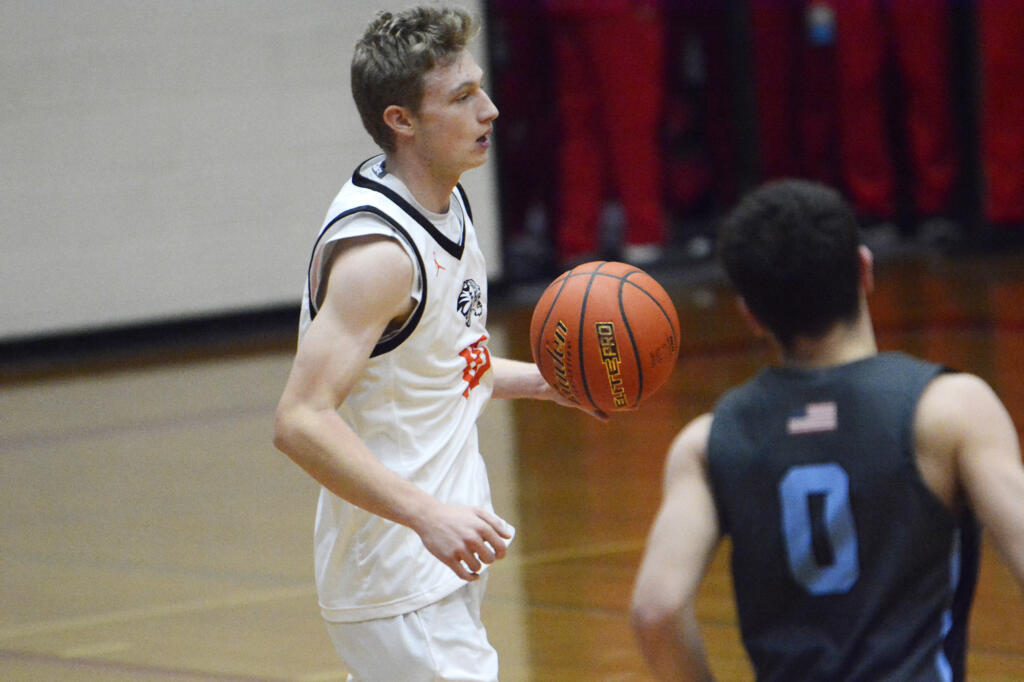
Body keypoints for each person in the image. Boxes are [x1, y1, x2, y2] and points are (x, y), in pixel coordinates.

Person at [272, 7, 592, 681]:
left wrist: (541, 380)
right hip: (398, 578)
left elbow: (441, 365)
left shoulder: (442, 199)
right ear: (401, 120)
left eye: (480, 86)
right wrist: (426, 516)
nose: (492, 109)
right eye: (463, 97)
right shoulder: (381, 257)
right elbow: (300, 420)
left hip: (429, 566)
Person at [630, 179, 1024, 680]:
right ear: (864, 269)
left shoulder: (707, 442)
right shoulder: (948, 409)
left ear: (751, 313)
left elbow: (656, 611)